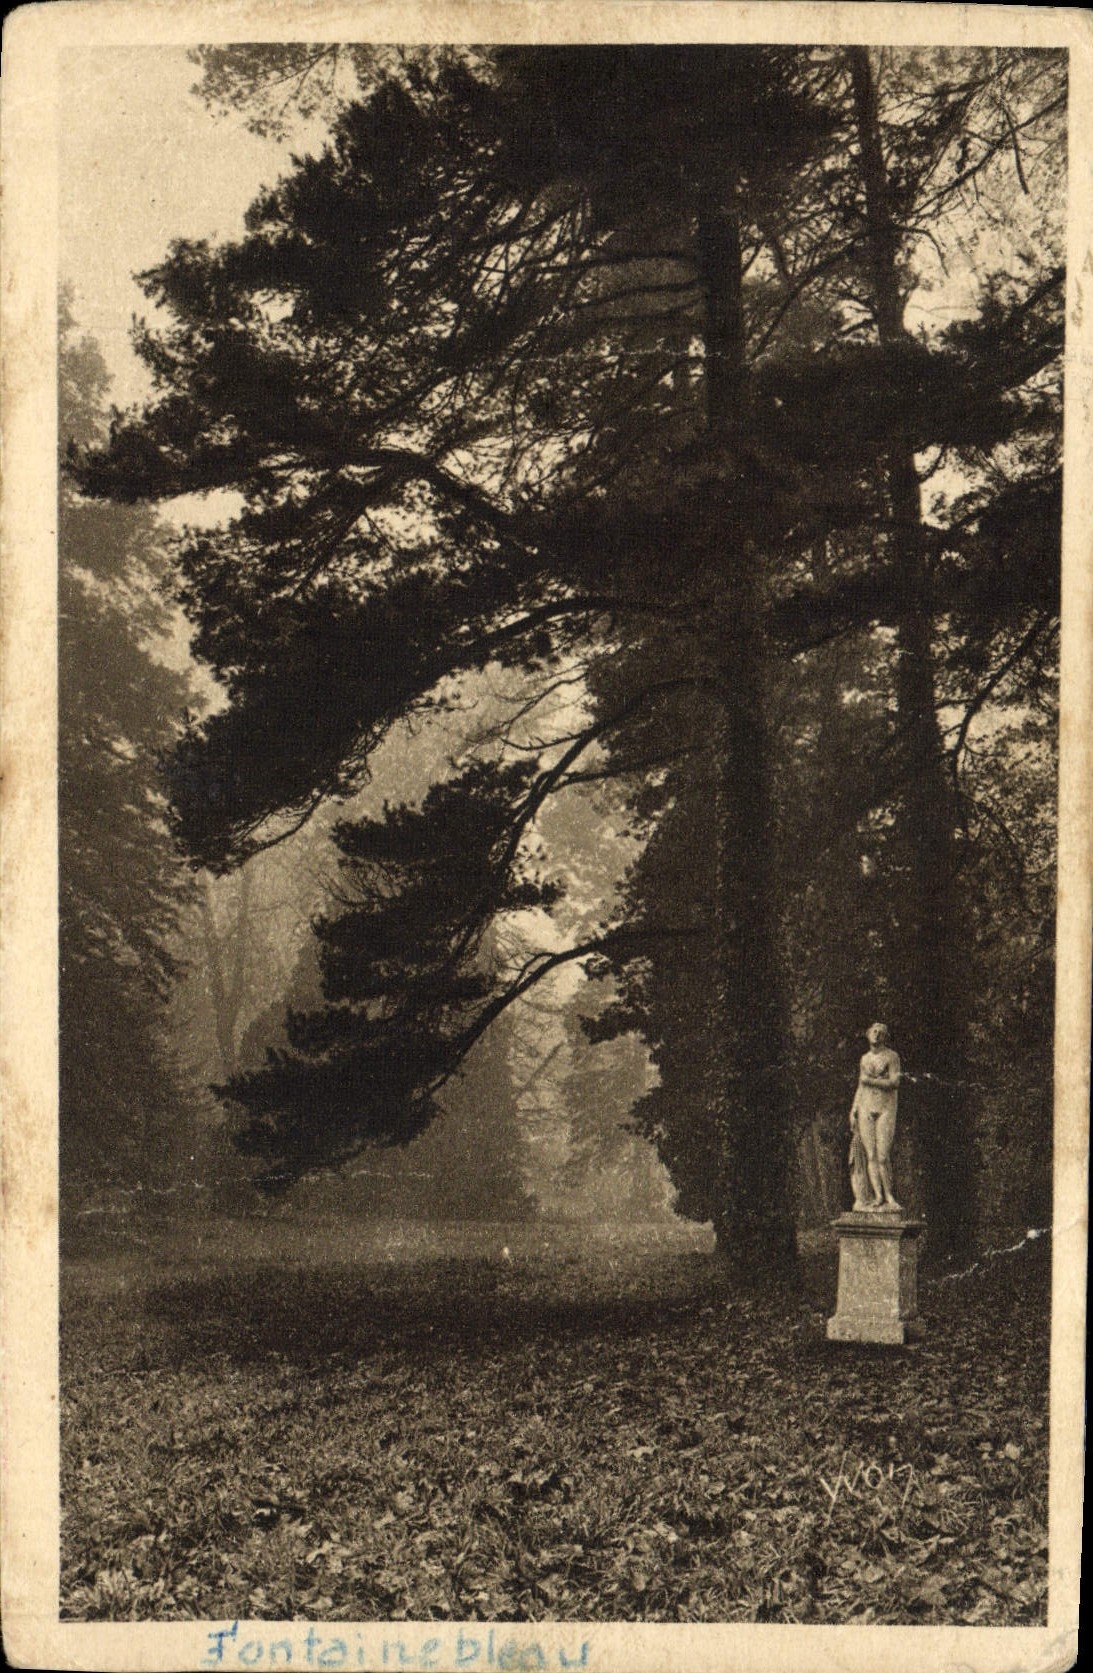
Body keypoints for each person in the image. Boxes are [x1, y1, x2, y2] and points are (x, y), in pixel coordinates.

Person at [848, 1021, 902, 1211]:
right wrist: (854, 1109)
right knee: (870, 1154)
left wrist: (870, 1081)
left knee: (882, 1155)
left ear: (885, 1037)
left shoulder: (892, 1056)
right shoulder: (864, 1059)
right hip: (866, 1106)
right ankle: (878, 1196)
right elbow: (860, 1086)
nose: (876, 1034)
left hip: (884, 1108)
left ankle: (889, 1196)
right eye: (874, 1031)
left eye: (880, 1032)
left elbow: (894, 1082)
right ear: (868, 1033)